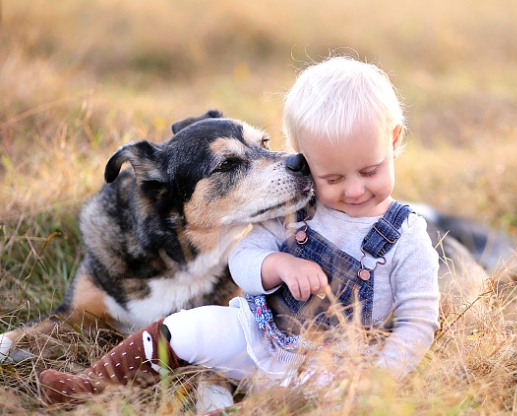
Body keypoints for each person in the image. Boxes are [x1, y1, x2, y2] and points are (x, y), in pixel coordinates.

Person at [39, 56, 440, 408]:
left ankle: (225, 405)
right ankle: (90, 384)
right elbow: (243, 262)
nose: (353, 190)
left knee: (331, 398)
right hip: (260, 339)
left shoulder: (407, 237)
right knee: (189, 327)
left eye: (368, 172)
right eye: (331, 175)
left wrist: (381, 380)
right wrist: (277, 263)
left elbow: (418, 321)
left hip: (334, 363)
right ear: (306, 154)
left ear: (393, 142)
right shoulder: (295, 213)